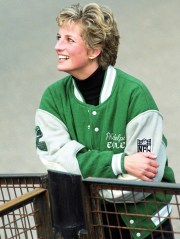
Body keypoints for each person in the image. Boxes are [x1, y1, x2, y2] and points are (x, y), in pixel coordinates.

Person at [35, 3, 175, 239]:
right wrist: (120, 163)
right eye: (59, 37)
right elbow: (56, 160)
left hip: (146, 228)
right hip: (88, 227)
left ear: (94, 50)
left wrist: (85, 184)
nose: (57, 46)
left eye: (69, 40)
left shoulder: (135, 95)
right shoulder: (52, 99)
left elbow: (144, 178)